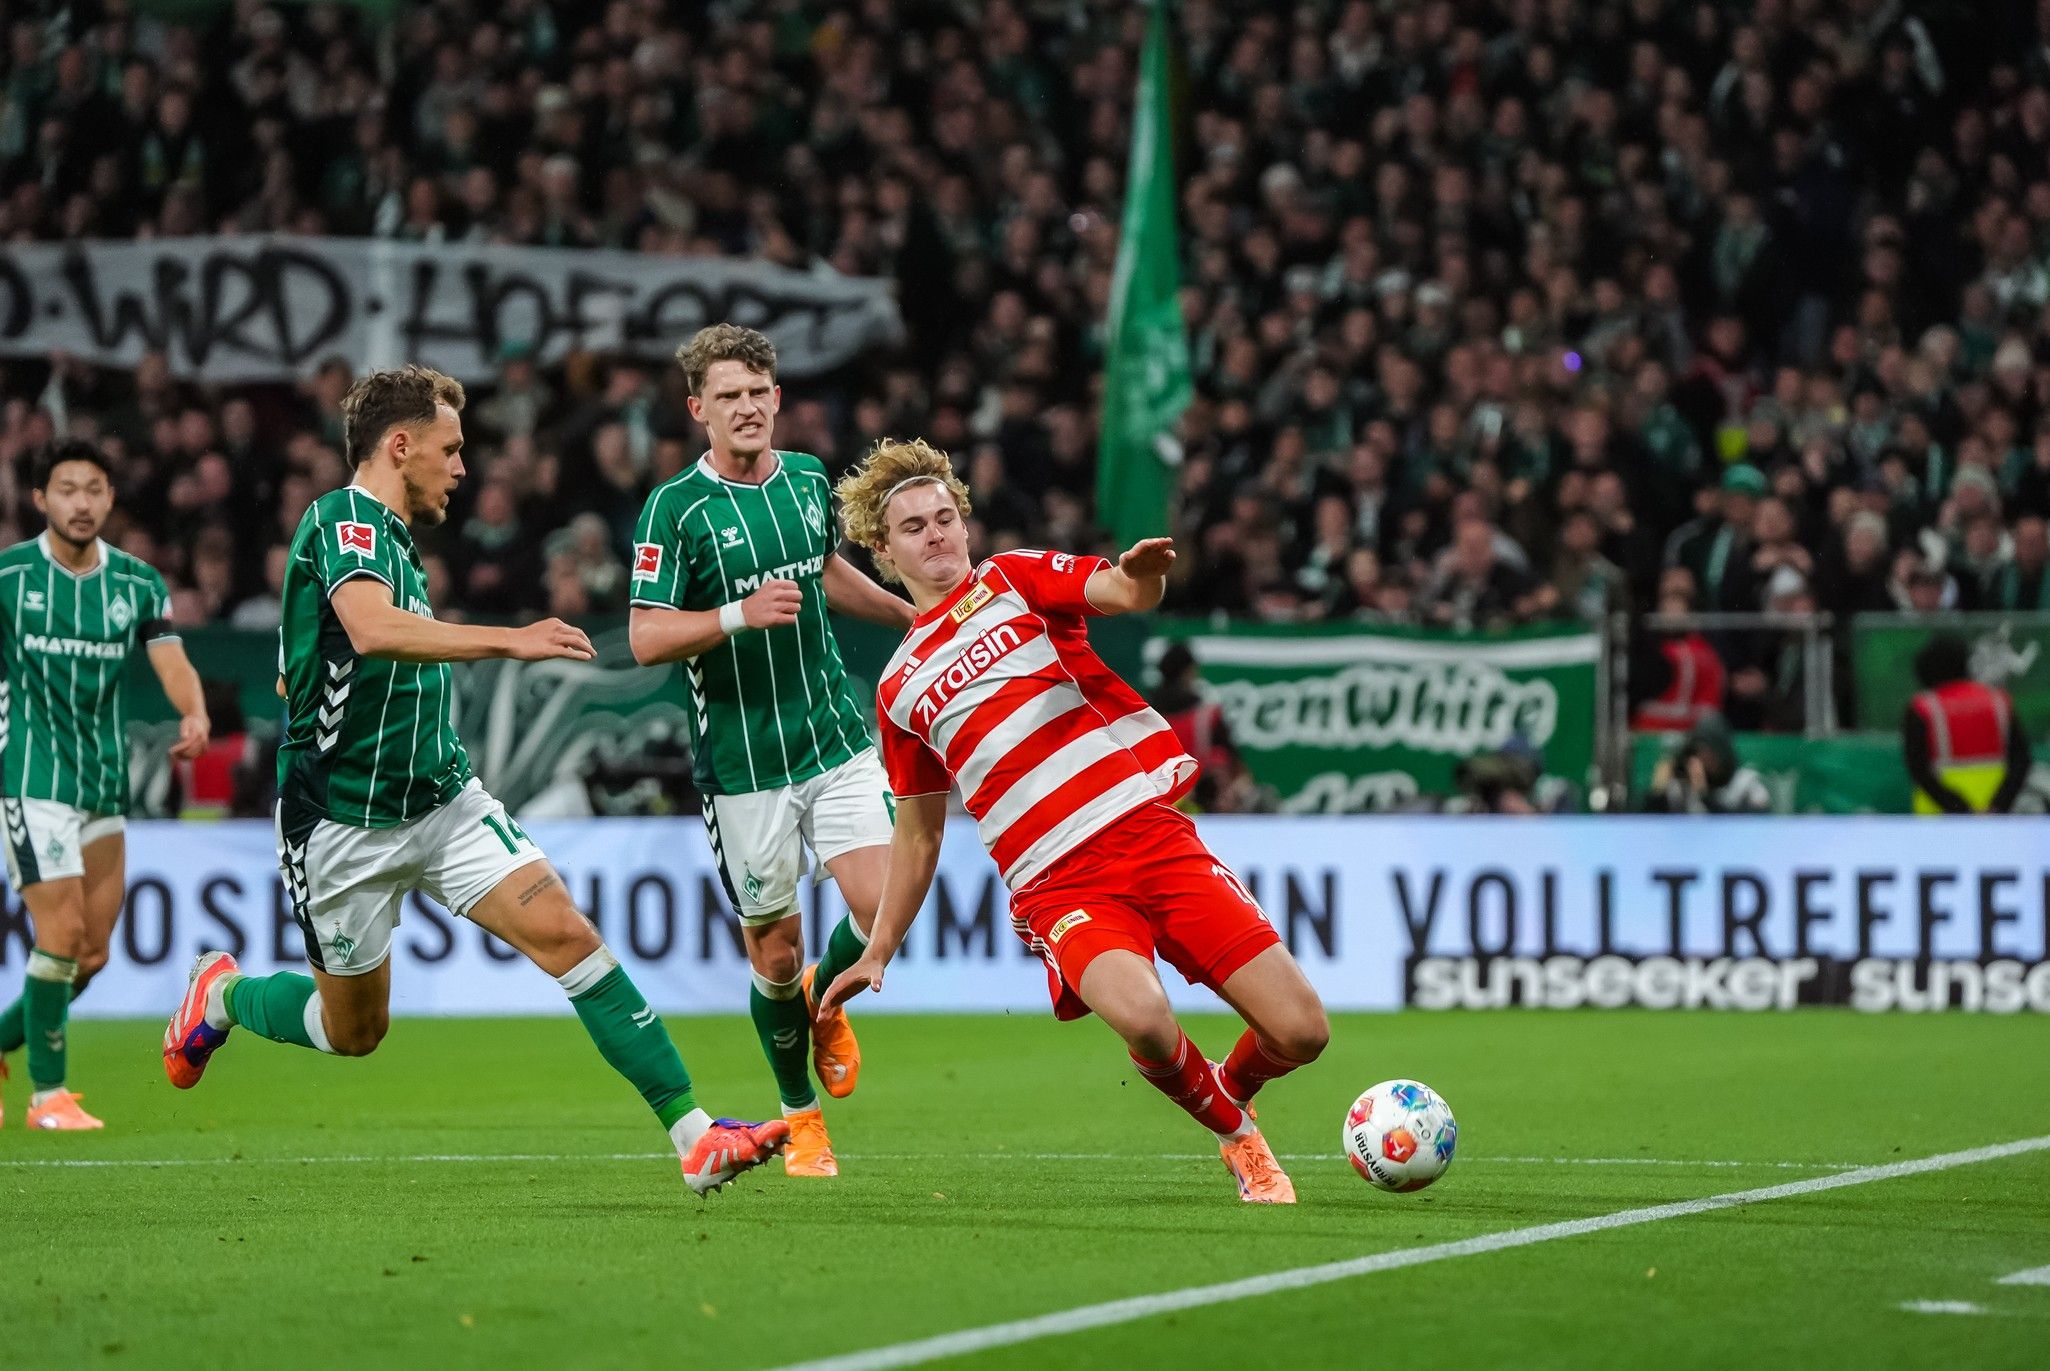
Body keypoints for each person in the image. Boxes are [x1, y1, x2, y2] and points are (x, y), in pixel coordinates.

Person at [162, 366, 788, 1195]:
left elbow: (321, 656)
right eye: (451, 448)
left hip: (444, 800)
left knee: (569, 935)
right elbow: (371, 629)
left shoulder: (395, 542)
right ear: (400, 444)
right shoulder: (343, 517)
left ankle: (695, 1136)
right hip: (341, 821)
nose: (462, 467)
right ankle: (223, 995)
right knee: (353, 1031)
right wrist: (510, 639)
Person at [820, 439, 1330, 1204]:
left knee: (1302, 1030)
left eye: (945, 517)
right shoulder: (899, 690)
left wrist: (1144, 576)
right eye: (914, 527)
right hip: (1058, 882)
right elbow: (919, 833)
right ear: (884, 551)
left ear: (965, 522)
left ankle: (1224, 1086)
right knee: (1144, 1017)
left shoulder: (1014, 579)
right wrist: (878, 947)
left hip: (1149, 834)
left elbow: (1120, 590)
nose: (936, 535)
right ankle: (1238, 1137)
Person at [627, 324, 914, 1179]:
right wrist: (734, 616)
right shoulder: (674, 509)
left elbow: (823, 571)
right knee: (775, 956)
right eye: (729, 396)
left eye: (759, 392)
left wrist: (908, 615)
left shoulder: (808, 480)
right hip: (743, 767)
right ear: (698, 409)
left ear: (778, 398)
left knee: (884, 904)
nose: (747, 407)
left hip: (832, 739)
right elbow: (645, 637)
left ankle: (829, 996)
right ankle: (800, 1113)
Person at [0, 439, 210, 1131]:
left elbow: (169, 657)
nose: (82, 503)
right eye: (67, 489)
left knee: (91, 952)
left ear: (111, 498)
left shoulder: (138, 583)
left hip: (102, 782)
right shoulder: (9, 577)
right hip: (31, 777)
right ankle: (47, 1097)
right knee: (59, 933)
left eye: (94, 489)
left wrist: (193, 710)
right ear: (41, 499)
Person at [1902, 633, 2030, 814]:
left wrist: (1962, 810)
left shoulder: (1923, 708)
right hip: (1996, 816)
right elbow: (2021, 761)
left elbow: (1918, 768)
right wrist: (1997, 806)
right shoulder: (1998, 701)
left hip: (1938, 816)